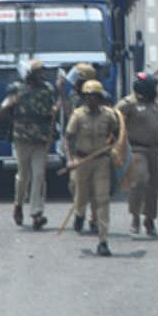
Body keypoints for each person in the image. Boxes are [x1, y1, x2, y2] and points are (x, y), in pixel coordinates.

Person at [65, 80, 123, 256]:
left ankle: (103, 240)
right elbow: (68, 139)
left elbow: (118, 131)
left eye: (95, 97)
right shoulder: (77, 115)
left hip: (101, 161)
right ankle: (80, 213)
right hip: (82, 161)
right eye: (88, 97)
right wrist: (69, 160)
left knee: (102, 199)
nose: (91, 100)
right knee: (81, 196)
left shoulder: (108, 115)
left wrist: (113, 144)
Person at [0, 59, 57, 230]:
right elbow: (1, 112)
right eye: (38, 72)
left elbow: (53, 110)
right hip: (22, 138)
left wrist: (55, 110)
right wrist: (12, 104)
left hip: (41, 138)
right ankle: (18, 204)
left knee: (39, 175)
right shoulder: (17, 90)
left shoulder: (48, 90)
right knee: (24, 176)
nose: (42, 75)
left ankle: (36, 212)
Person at [117, 73, 158, 236]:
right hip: (137, 149)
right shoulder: (128, 104)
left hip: (155, 150)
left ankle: (149, 219)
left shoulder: (155, 105)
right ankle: (135, 216)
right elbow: (114, 119)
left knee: (155, 187)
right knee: (139, 181)